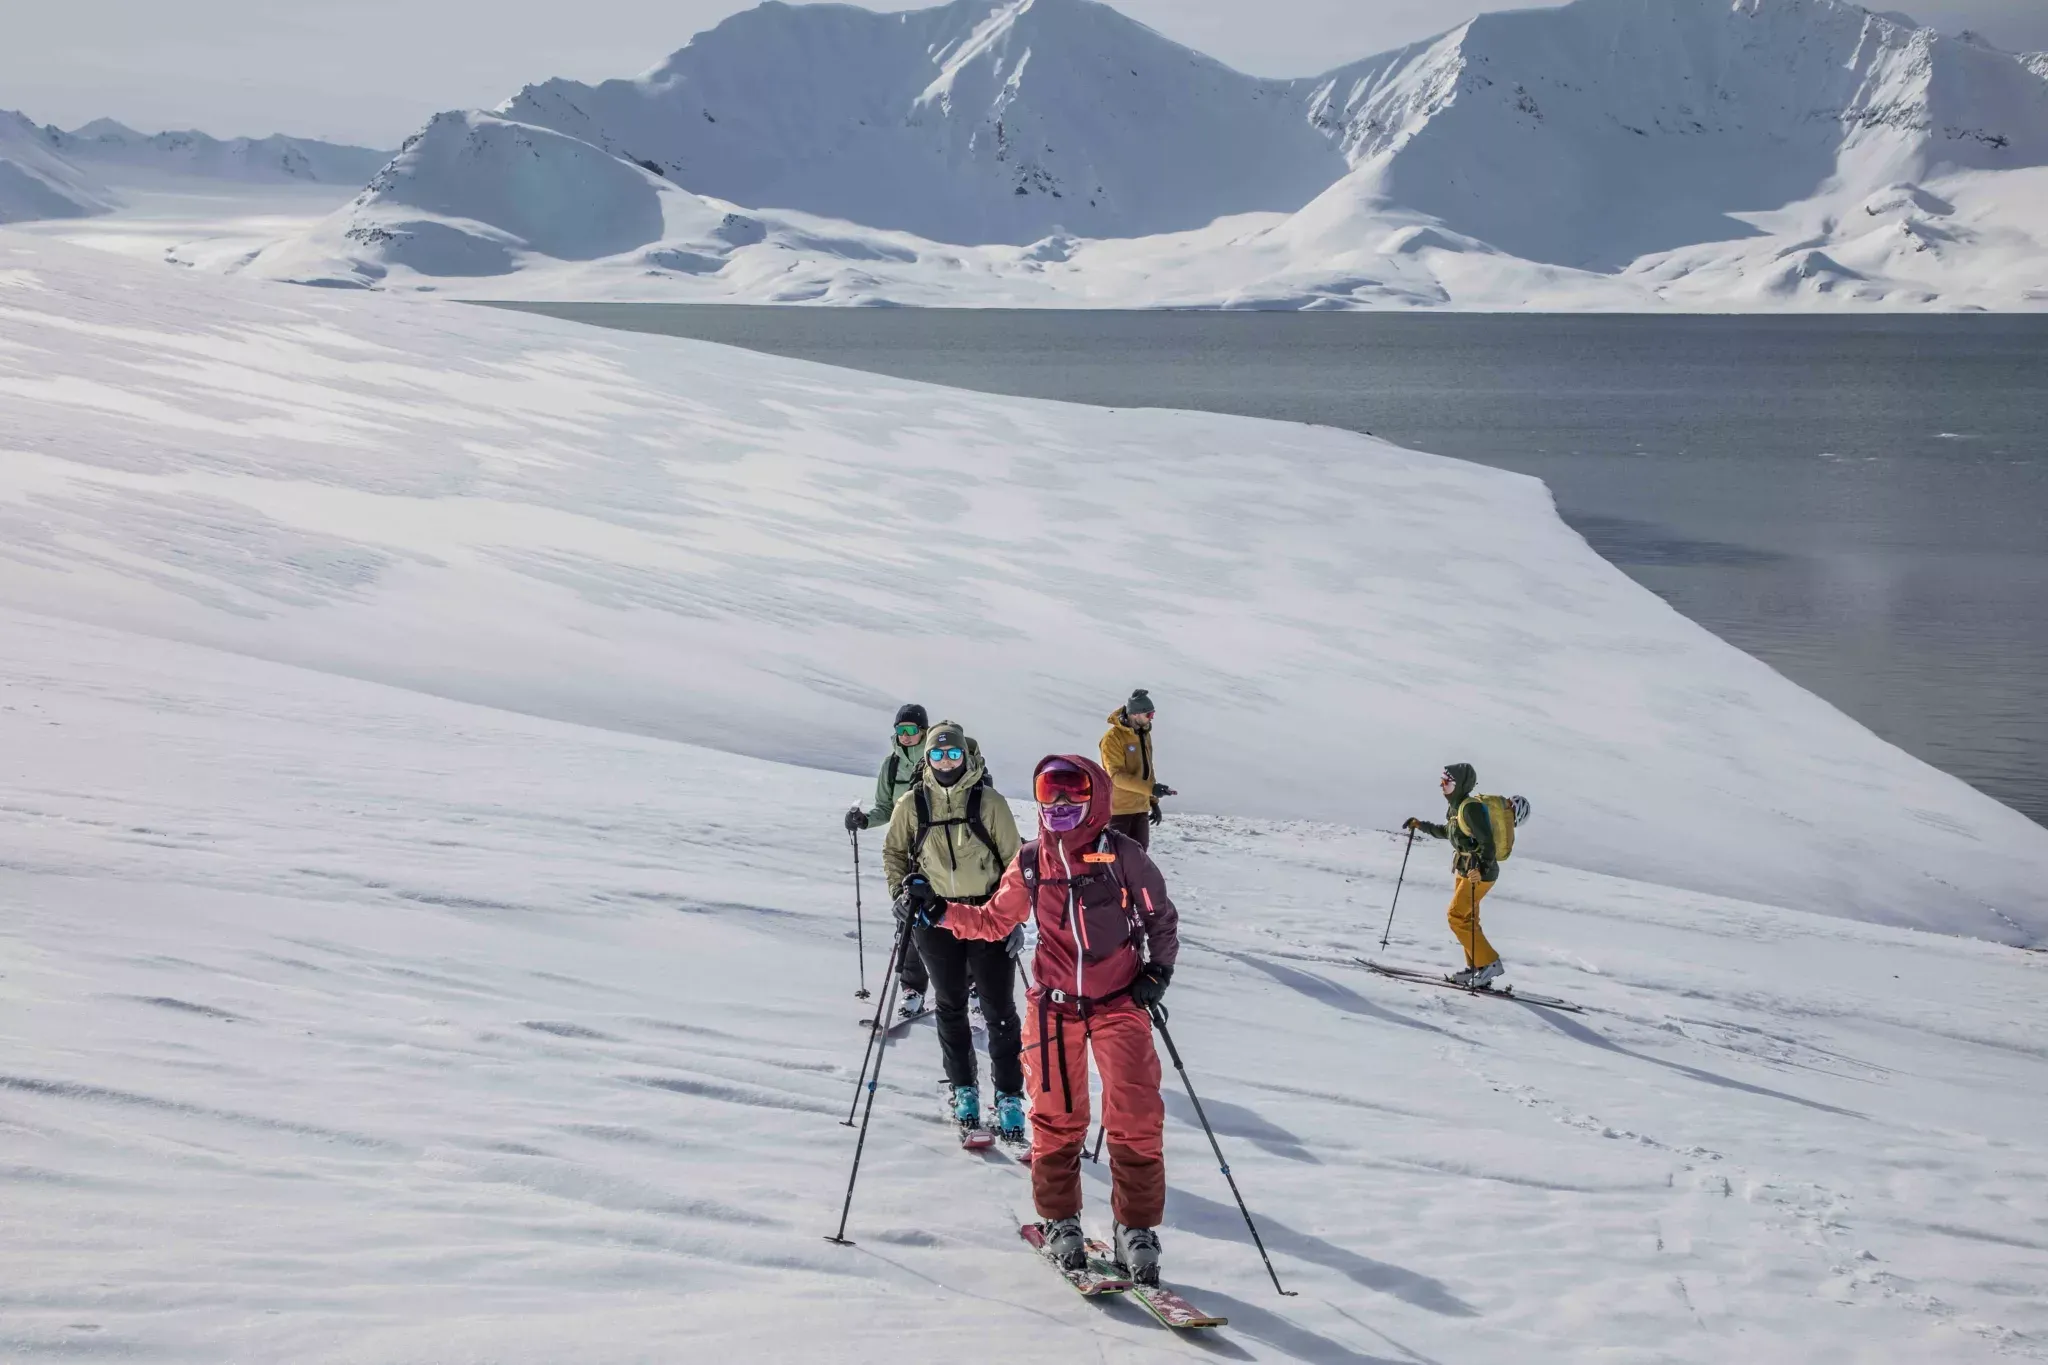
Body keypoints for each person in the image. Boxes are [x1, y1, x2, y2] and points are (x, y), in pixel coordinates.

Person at [919, 755, 1180, 1286]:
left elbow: (1159, 915)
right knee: (1057, 1116)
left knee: (1136, 1113)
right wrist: (939, 911)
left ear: (1095, 797)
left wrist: (1158, 970)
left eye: (1072, 794)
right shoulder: (1033, 862)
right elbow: (994, 920)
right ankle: (1060, 1217)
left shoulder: (1122, 856)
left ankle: (1136, 1229)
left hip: (1119, 1003)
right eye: (1049, 794)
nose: (1059, 806)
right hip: (1054, 1006)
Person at [885, 721, 1026, 1140]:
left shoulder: (990, 802)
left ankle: (1009, 1096)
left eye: (953, 753)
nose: (946, 761)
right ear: (926, 758)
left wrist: (1015, 919)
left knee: (1000, 1011)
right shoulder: (913, 803)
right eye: (937, 754)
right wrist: (899, 893)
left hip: (989, 916)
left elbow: (1018, 864)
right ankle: (964, 1089)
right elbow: (894, 850)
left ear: (966, 755)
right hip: (934, 918)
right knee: (949, 1005)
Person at [846, 703, 932, 1014]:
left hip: (941, 848)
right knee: (908, 917)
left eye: (912, 730)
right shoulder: (891, 766)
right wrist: (864, 820)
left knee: (955, 914)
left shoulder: (938, 757)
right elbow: (885, 808)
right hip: (907, 849)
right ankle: (912, 988)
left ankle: (972, 985)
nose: (906, 736)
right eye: (901, 730)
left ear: (923, 731)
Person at [1404, 762, 1505, 987]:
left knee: (1456, 916)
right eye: (1442, 781)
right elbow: (1446, 832)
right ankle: (1476, 967)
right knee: (1468, 919)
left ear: (1459, 785)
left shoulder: (1470, 808)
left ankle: (1490, 963)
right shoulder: (1456, 808)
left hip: (1478, 873)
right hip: (1464, 869)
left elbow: (1487, 842)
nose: (1442, 785)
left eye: (1446, 782)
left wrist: (1482, 869)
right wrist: (1420, 825)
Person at [1099, 689, 1175, 851]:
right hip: (1120, 810)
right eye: (1149, 715)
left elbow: (1148, 769)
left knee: (1139, 856)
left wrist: (1153, 801)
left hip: (1140, 808)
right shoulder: (1113, 739)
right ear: (1135, 714)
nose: (1151, 718)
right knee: (1117, 859)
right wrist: (1150, 789)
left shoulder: (1143, 734)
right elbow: (1116, 776)